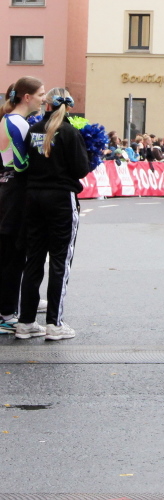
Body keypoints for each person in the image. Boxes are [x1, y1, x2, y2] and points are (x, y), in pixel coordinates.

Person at [16, 88, 89, 340]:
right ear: (68, 106)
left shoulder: (34, 130)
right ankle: (55, 324)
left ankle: (25, 321)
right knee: (60, 260)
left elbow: (25, 163)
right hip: (61, 198)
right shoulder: (70, 132)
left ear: (46, 104)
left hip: (34, 197)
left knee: (34, 259)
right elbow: (81, 169)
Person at [0, 76, 46, 335]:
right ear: (27, 97)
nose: (44, 99)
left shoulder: (11, 119)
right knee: (13, 255)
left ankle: (9, 308)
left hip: (9, 189)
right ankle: (6, 314)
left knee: (11, 253)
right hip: (15, 192)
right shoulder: (17, 122)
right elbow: (21, 164)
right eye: (40, 94)